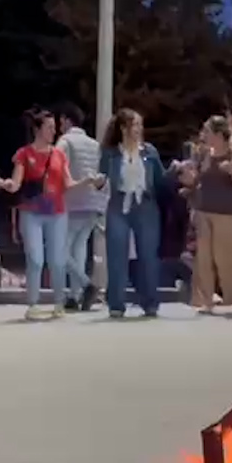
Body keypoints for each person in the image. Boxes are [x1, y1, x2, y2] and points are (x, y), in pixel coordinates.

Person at [0, 108, 76, 319]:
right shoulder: (24, 154)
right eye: (49, 128)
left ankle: (59, 302)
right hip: (31, 212)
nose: (53, 132)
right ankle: (33, 303)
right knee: (35, 258)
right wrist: (5, 183)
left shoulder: (59, 154)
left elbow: (68, 183)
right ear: (37, 129)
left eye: (55, 128)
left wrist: (89, 182)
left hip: (57, 212)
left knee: (57, 260)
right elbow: (16, 183)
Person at [98, 107, 165, 319]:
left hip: (145, 204)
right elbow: (101, 177)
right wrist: (98, 181)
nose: (139, 129)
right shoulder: (110, 153)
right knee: (116, 254)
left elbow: (161, 180)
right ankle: (116, 304)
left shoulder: (149, 151)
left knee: (148, 256)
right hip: (119, 203)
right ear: (123, 128)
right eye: (134, 125)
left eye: (139, 125)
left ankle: (150, 302)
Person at [187, 116, 232, 316]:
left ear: (218, 135)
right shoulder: (204, 156)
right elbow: (198, 181)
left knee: (225, 257)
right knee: (204, 258)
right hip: (204, 210)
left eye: (207, 132)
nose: (204, 136)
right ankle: (205, 300)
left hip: (226, 212)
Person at [56, 104, 105, 311]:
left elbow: (55, 162)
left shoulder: (65, 141)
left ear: (67, 120)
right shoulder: (95, 144)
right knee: (79, 248)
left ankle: (86, 285)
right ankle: (76, 296)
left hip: (72, 200)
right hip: (92, 202)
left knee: (59, 250)